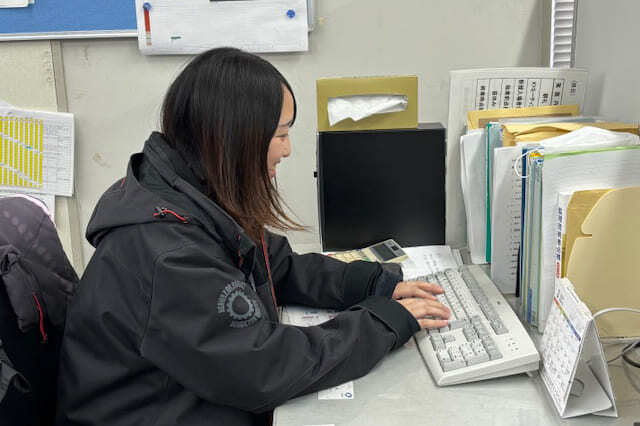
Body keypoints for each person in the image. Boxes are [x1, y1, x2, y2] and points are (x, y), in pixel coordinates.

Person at [56, 47, 450, 426]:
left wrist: (373, 284)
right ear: (232, 138)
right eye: (280, 134)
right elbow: (264, 368)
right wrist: (382, 324)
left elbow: (279, 265)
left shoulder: (194, 195)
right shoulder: (169, 255)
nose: (287, 149)